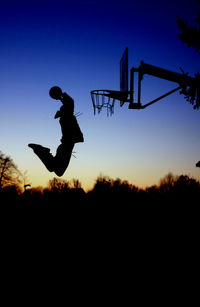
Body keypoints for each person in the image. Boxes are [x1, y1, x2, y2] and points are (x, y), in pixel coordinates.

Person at [28, 86, 84, 176]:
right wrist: (61, 95)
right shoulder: (68, 116)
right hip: (67, 144)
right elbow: (70, 102)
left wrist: (60, 97)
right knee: (57, 170)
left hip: (66, 144)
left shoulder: (65, 117)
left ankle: (42, 151)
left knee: (55, 169)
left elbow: (69, 103)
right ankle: (41, 150)